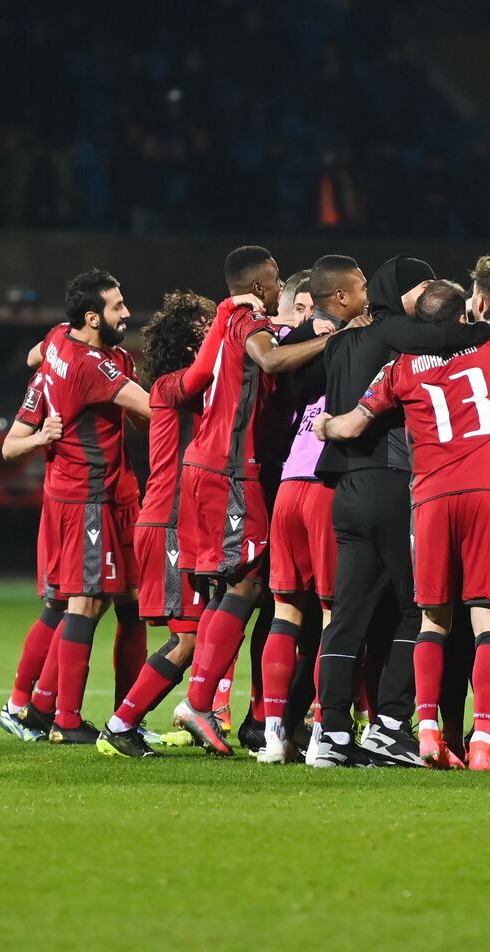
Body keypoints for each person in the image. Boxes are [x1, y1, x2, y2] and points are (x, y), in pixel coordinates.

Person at [314, 280, 490, 771]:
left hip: (431, 499)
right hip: (489, 495)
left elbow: (350, 425)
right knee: (488, 619)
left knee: (434, 619)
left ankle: (430, 733)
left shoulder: (400, 367)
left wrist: (324, 425)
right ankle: (481, 743)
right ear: (462, 317)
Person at [311, 257, 490, 768]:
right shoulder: (397, 334)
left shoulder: (340, 342)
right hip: (392, 483)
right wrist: (483, 319)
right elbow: (445, 340)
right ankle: (390, 725)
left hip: (346, 491)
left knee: (346, 617)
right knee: (424, 606)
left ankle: (329, 734)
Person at [171, 245, 336, 755]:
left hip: (205, 463)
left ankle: (213, 706)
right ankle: (199, 703)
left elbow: (199, 380)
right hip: (230, 467)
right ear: (262, 286)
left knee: (239, 584)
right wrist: (334, 339)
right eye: (277, 279)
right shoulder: (247, 319)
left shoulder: (226, 313)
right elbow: (271, 356)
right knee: (248, 584)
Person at [1, 269, 151, 743]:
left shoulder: (59, 338)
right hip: (87, 497)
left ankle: (58, 708)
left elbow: (36, 355)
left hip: (108, 493)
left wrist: (46, 370)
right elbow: (153, 407)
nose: (126, 312)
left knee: (125, 603)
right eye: (117, 306)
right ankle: (56, 716)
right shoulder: (92, 365)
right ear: (92, 317)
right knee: (77, 602)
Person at [96, 291, 225, 756]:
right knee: (187, 637)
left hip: (180, 523)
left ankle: (201, 709)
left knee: (206, 625)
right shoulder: (172, 386)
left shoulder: (190, 388)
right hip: (168, 523)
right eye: (208, 330)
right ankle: (122, 723)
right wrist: (230, 316)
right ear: (194, 342)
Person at [258, 255, 368, 764]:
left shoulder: (298, 344)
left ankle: (274, 733)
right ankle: (326, 731)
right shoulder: (356, 345)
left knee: (285, 611)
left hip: (288, 485)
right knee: (332, 616)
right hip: (326, 487)